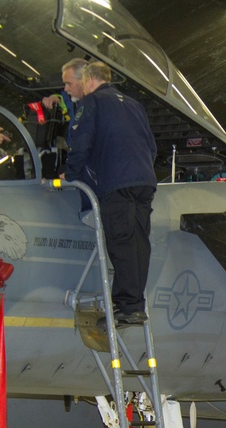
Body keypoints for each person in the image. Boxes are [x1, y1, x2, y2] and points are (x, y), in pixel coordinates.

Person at [64, 61, 157, 328]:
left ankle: (126, 307)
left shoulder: (92, 103)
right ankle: (135, 306)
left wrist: (69, 175)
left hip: (117, 182)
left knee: (121, 240)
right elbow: (151, 147)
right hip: (144, 181)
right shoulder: (133, 104)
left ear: (90, 80)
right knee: (139, 242)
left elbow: (80, 144)